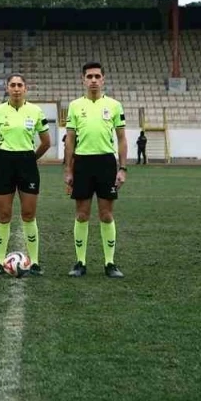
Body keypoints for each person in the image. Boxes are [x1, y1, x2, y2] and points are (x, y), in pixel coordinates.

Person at [63, 62, 127, 279]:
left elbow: (121, 138)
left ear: (103, 79)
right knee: (81, 214)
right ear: (83, 79)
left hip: (106, 163)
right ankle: (80, 262)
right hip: (82, 163)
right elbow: (70, 140)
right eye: (89, 76)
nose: (93, 80)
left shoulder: (115, 105)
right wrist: (68, 170)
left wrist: (123, 168)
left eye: (97, 76)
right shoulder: (74, 106)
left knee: (106, 214)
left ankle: (110, 263)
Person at [0, 73, 51, 275]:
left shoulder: (36, 111)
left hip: (27, 164)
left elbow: (46, 142)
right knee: (4, 215)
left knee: (29, 214)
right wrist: (2, 156)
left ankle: (35, 263)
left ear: (25, 88)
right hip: (5, 163)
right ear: (7, 88)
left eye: (19, 85)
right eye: (12, 85)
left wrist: (31, 158)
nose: (16, 88)